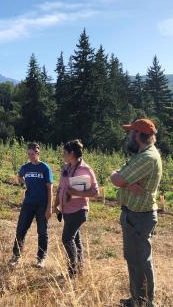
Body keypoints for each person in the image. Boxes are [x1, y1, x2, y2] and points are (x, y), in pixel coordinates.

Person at [110, 119, 162, 307]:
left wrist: (122, 179)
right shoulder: (142, 155)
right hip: (134, 216)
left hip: (139, 217)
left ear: (140, 135)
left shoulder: (147, 158)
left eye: (131, 132)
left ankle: (147, 302)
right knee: (133, 258)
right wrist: (125, 181)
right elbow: (118, 176)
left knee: (141, 260)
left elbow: (117, 179)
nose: (129, 135)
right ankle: (136, 299)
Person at [54, 139, 98, 277]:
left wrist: (76, 193)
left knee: (67, 239)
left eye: (64, 152)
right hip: (66, 210)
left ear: (72, 153)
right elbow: (60, 187)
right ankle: (79, 270)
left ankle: (73, 272)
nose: (63, 154)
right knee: (75, 240)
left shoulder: (85, 169)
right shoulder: (66, 168)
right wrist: (55, 205)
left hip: (78, 211)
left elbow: (95, 192)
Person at [9, 142, 53, 268]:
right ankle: (16, 256)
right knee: (21, 229)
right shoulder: (25, 167)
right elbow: (19, 176)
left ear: (38, 154)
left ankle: (41, 258)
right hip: (28, 203)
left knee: (42, 231)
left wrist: (49, 207)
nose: (30, 156)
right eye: (28, 154)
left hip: (42, 204)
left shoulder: (45, 168)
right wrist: (24, 183)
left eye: (33, 154)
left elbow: (50, 188)